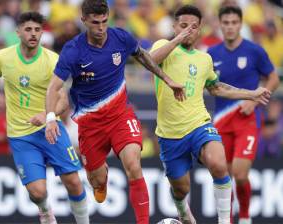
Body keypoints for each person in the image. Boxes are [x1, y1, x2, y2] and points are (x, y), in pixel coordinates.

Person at [45, 1, 185, 223]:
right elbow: (54, 87)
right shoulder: (73, 51)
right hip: (90, 125)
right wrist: (50, 118)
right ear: (84, 21)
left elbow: (144, 57)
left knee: (133, 164)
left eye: (104, 22)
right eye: (95, 23)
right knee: (97, 184)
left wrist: (167, 79)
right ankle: (100, 177)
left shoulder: (121, 37)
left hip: (121, 116)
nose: (100, 28)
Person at [149, 5, 271, 224]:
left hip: (199, 124)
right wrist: (177, 39)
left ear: (200, 30)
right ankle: (184, 213)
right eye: (183, 26)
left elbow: (217, 88)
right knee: (180, 188)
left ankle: (225, 221)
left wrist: (251, 94)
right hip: (170, 133)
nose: (188, 31)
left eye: (193, 27)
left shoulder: (204, 59)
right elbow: (149, 60)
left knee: (218, 163)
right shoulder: (163, 46)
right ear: (175, 26)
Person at [0, 12, 89, 224]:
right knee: (38, 192)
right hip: (21, 135)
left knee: (74, 182)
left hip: (51, 129)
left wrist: (48, 115)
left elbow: (64, 101)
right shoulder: (3, 57)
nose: (33, 34)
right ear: (18, 32)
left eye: (38, 30)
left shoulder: (53, 61)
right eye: (29, 29)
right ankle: (45, 210)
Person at [208, 6, 280, 224]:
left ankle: (246, 217)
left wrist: (255, 100)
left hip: (247, 121)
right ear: (220, 24)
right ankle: (227, 220)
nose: (230, 27)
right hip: (221, 121)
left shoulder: (254, 51)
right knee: (224, 177)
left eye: (234, 23)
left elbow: (273, 78)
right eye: (226, 23)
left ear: (241, 24)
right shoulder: (212, 54)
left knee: (240, 174)